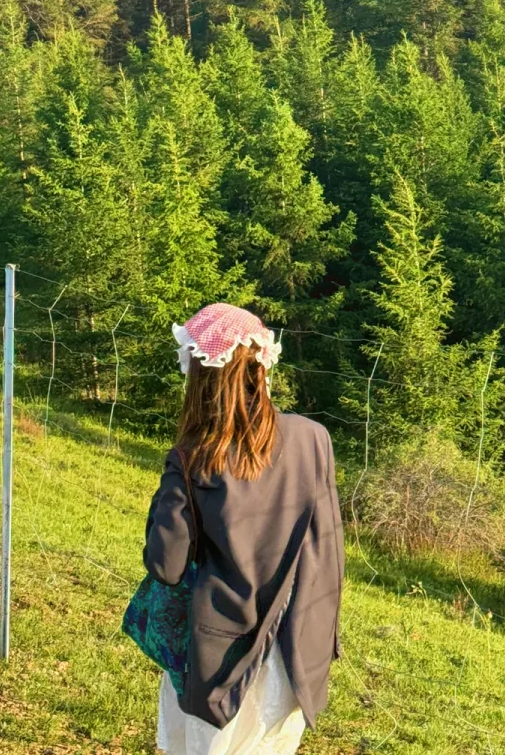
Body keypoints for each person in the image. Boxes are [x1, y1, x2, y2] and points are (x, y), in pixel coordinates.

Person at [143, 303, 345, 755]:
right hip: (291, 652)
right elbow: (327, 552)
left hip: (218, 657)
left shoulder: (194, 455)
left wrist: (171, 482)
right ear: (262, 366)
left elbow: (165, 563)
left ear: (200, 375)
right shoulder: (314, 439)